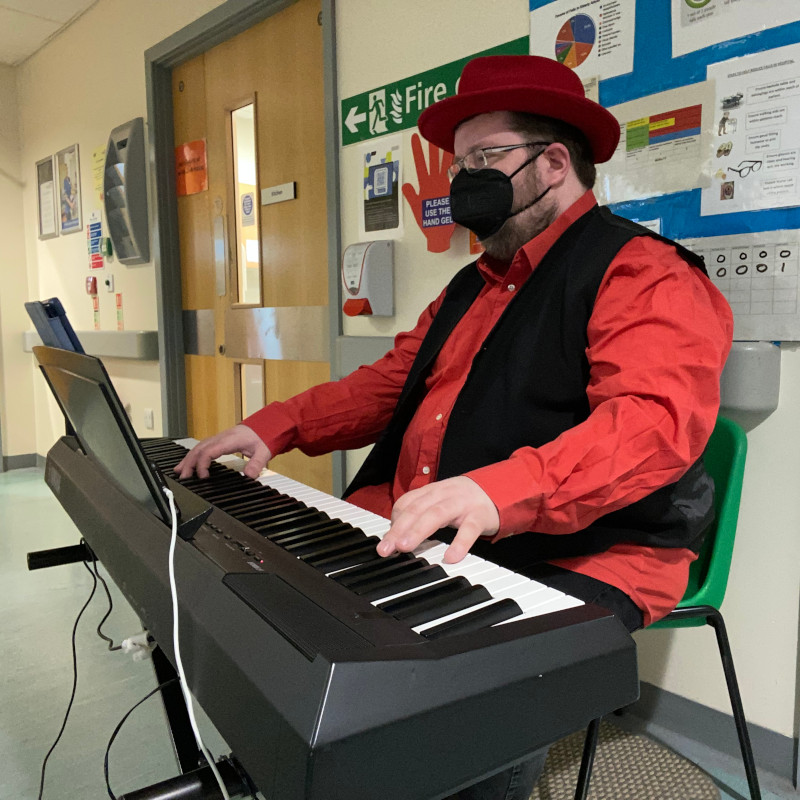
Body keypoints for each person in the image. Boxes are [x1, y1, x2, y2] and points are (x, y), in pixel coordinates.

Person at [176, 55, 733, 799]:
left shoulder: (646, 272)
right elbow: (389, 383)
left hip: (596, 547)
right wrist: (275, 427)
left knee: (465, 706)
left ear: (555, 161)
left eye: (485, 158)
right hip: (448, 525)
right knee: (292, 614)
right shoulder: (471, 285)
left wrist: (498, 492)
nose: (463, 178)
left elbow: (651, 426)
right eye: (458, 162)